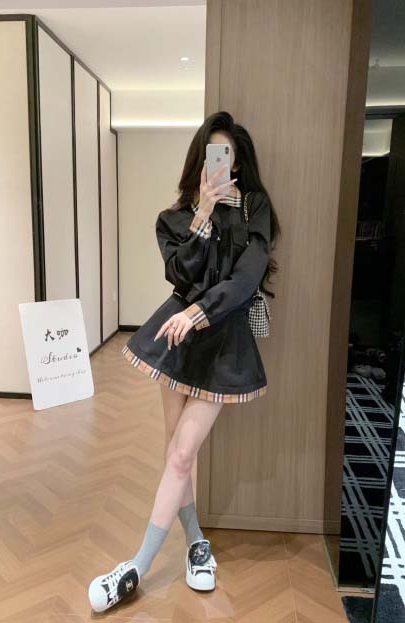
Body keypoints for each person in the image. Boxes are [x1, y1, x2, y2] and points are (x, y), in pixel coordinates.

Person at [88, 111, 281, 613]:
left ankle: (137, 565)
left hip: (222, 339)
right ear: (200, 160)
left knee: (180, 453)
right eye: (212, 153)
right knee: (176, 450)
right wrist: (202, 215)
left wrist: (200, 311)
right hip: (177, 336)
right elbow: (180, 272)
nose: (220, 162)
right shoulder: (174, 218)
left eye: (227, 155)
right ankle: (196, 541)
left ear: (236, 163)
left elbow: (246, 279)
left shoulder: (255, 208)